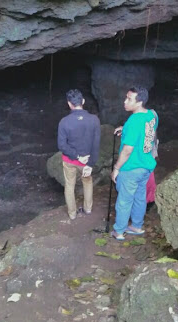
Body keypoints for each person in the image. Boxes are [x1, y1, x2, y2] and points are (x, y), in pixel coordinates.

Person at [110, 86, 158, 240]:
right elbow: (145, 130)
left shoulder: (133, 122)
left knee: (124, 200)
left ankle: (119, 231)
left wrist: (116, 168)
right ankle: (137, 226)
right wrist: (125, 129)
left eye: (129, 99)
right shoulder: (151, 115)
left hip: (131, 167)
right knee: (139, 197)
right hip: (146, 166)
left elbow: (127, 150)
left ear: (139, 102)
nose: (125, 101)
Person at [57, 89, 100, 220]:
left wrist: (76, 156)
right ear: (83, 101)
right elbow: (96, 144)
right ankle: (87, 209)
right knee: (87, 183)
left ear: (69, 104)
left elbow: (62, 145)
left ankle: (72, 214)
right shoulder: (94, 120)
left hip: (70, 161)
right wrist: (90, 163)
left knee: (69, 185)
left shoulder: (64, 122)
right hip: (86, 161)